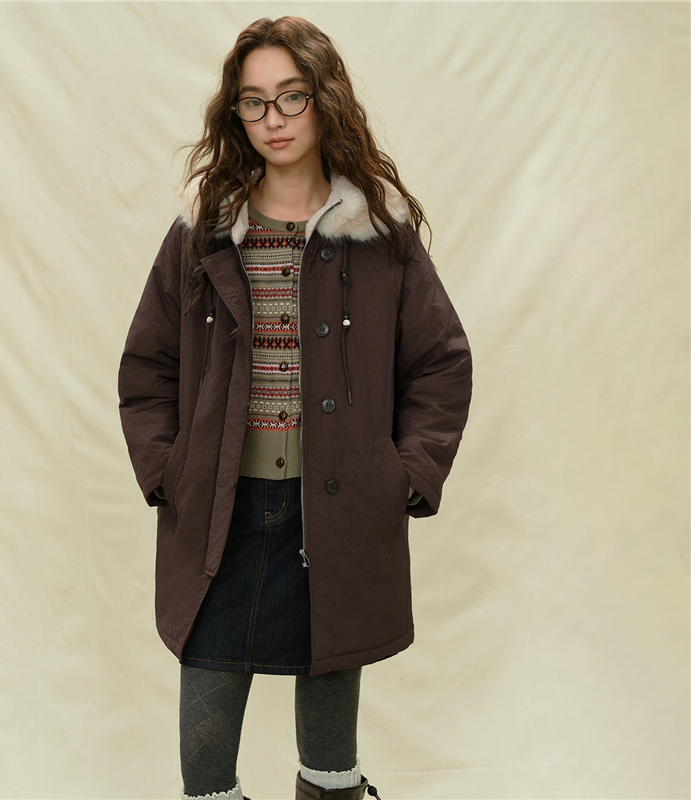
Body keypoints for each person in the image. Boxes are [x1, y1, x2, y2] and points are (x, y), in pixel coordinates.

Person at [118, 16, 472, 800]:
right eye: (254, 102)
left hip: (338, 509)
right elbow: (148, 365)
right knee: (204, 755)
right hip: (221, 511)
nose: (273, 119)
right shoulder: (203, 232)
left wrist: (403, 475)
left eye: (291, 97)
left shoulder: (378, 234)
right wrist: (169, 471)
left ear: (324, 99)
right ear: (236, 114)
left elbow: (441, 361)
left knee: (330, 754)